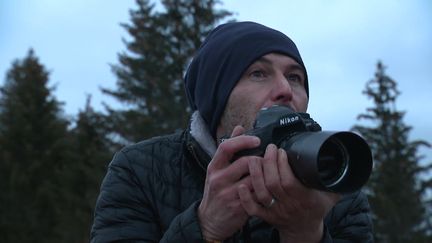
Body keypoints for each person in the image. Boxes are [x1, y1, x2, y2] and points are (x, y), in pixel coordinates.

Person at [90, 21, 373, 242]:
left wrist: (305, 233)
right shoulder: (140, 171)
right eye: (258, 73)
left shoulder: (338, 181)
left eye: (294, 77)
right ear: (216, 95)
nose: (285, 90)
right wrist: (206, 226)